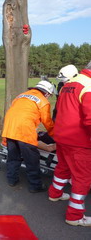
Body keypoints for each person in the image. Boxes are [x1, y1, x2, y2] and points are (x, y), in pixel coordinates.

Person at [48, 61, 91, 227]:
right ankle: (74, 216)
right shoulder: (88, 86)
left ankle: (55, 193)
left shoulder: (70, 84)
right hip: (79, 140)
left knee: (63, 167)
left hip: (62, 136)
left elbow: (59, 108)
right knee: (82, 178)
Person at [1, 80, 56, 193]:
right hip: (24, 131)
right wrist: (57, 136)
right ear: (46, 93)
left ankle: (12, 180)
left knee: (13, 157)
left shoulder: (20, 96)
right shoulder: (43, 101)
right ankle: (35, 185)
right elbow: (48, 123)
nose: (49, 97)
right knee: (32, 159)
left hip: (10, 128)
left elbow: (15, 112)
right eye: (50, 95)